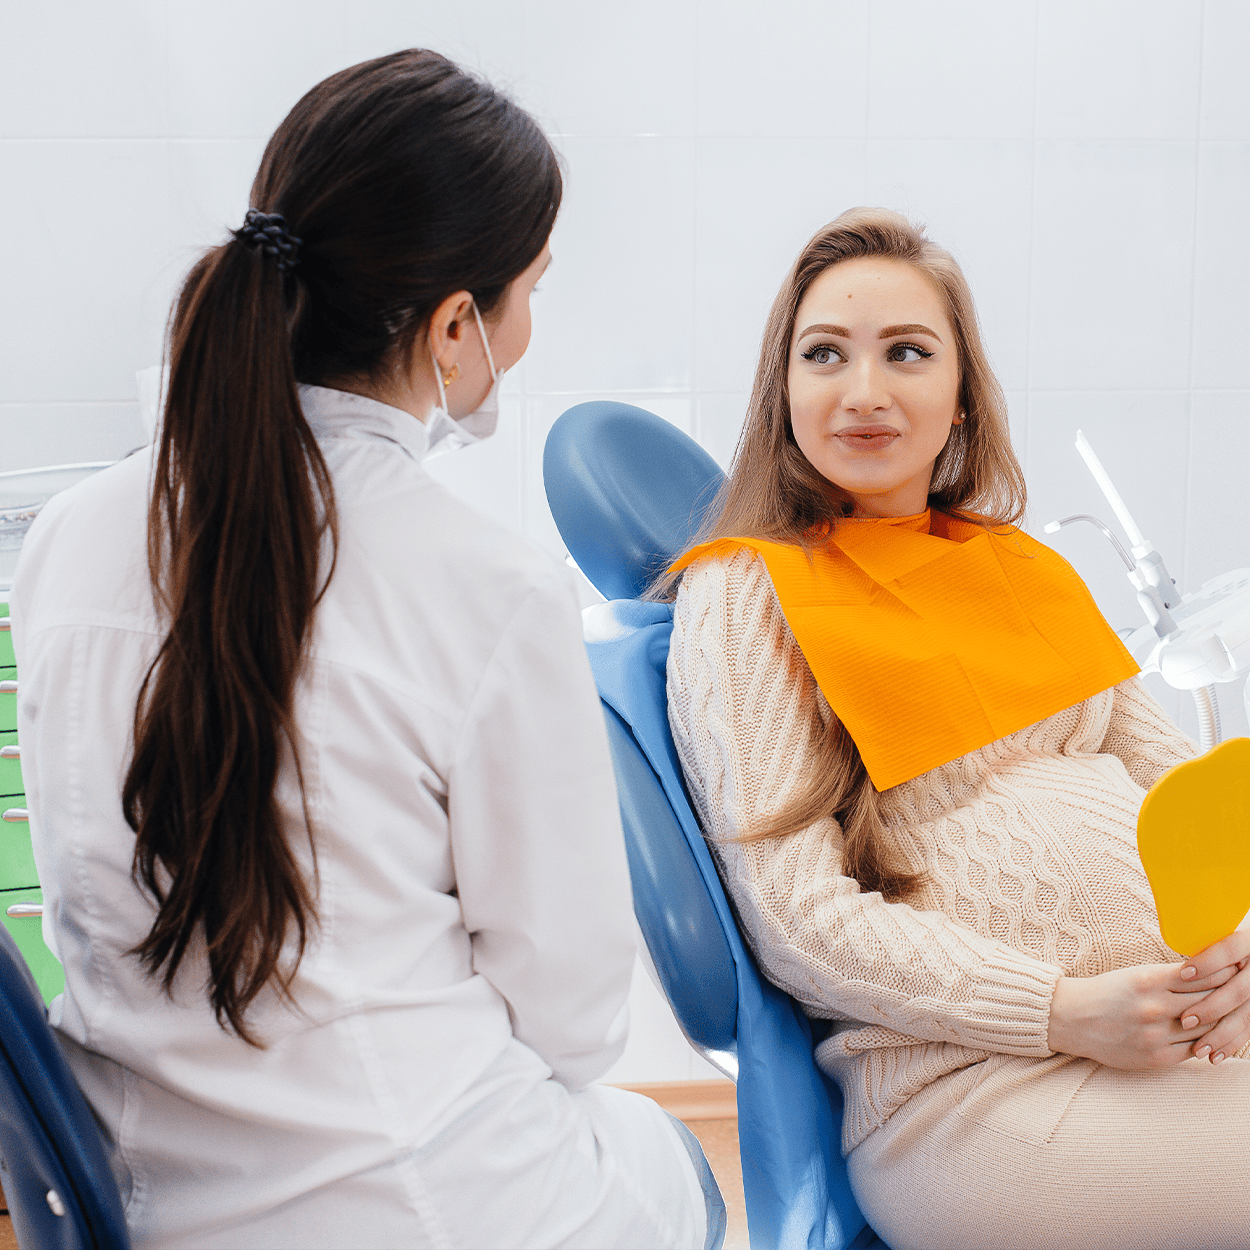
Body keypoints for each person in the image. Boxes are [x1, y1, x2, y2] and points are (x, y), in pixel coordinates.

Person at [10, 50, 722, 1250]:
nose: (527, 324)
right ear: (456, 323)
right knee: (674, 1164)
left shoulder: (68, 542)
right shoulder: (484, 586)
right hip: (415, 1203)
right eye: (527, 289)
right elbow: (571, 1021)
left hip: (138, 1199)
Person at [660, 206, 1250, 1250]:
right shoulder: (750, 591)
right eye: (824, 354)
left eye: (906, 353)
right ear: (782, 391)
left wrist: (1234, 955)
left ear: (961, 396)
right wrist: (1058, 1008)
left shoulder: (1023, 567)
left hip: (1172, 1036)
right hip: (969, 1090)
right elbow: (794, 916)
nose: (863, 390)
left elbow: (1187, 801)